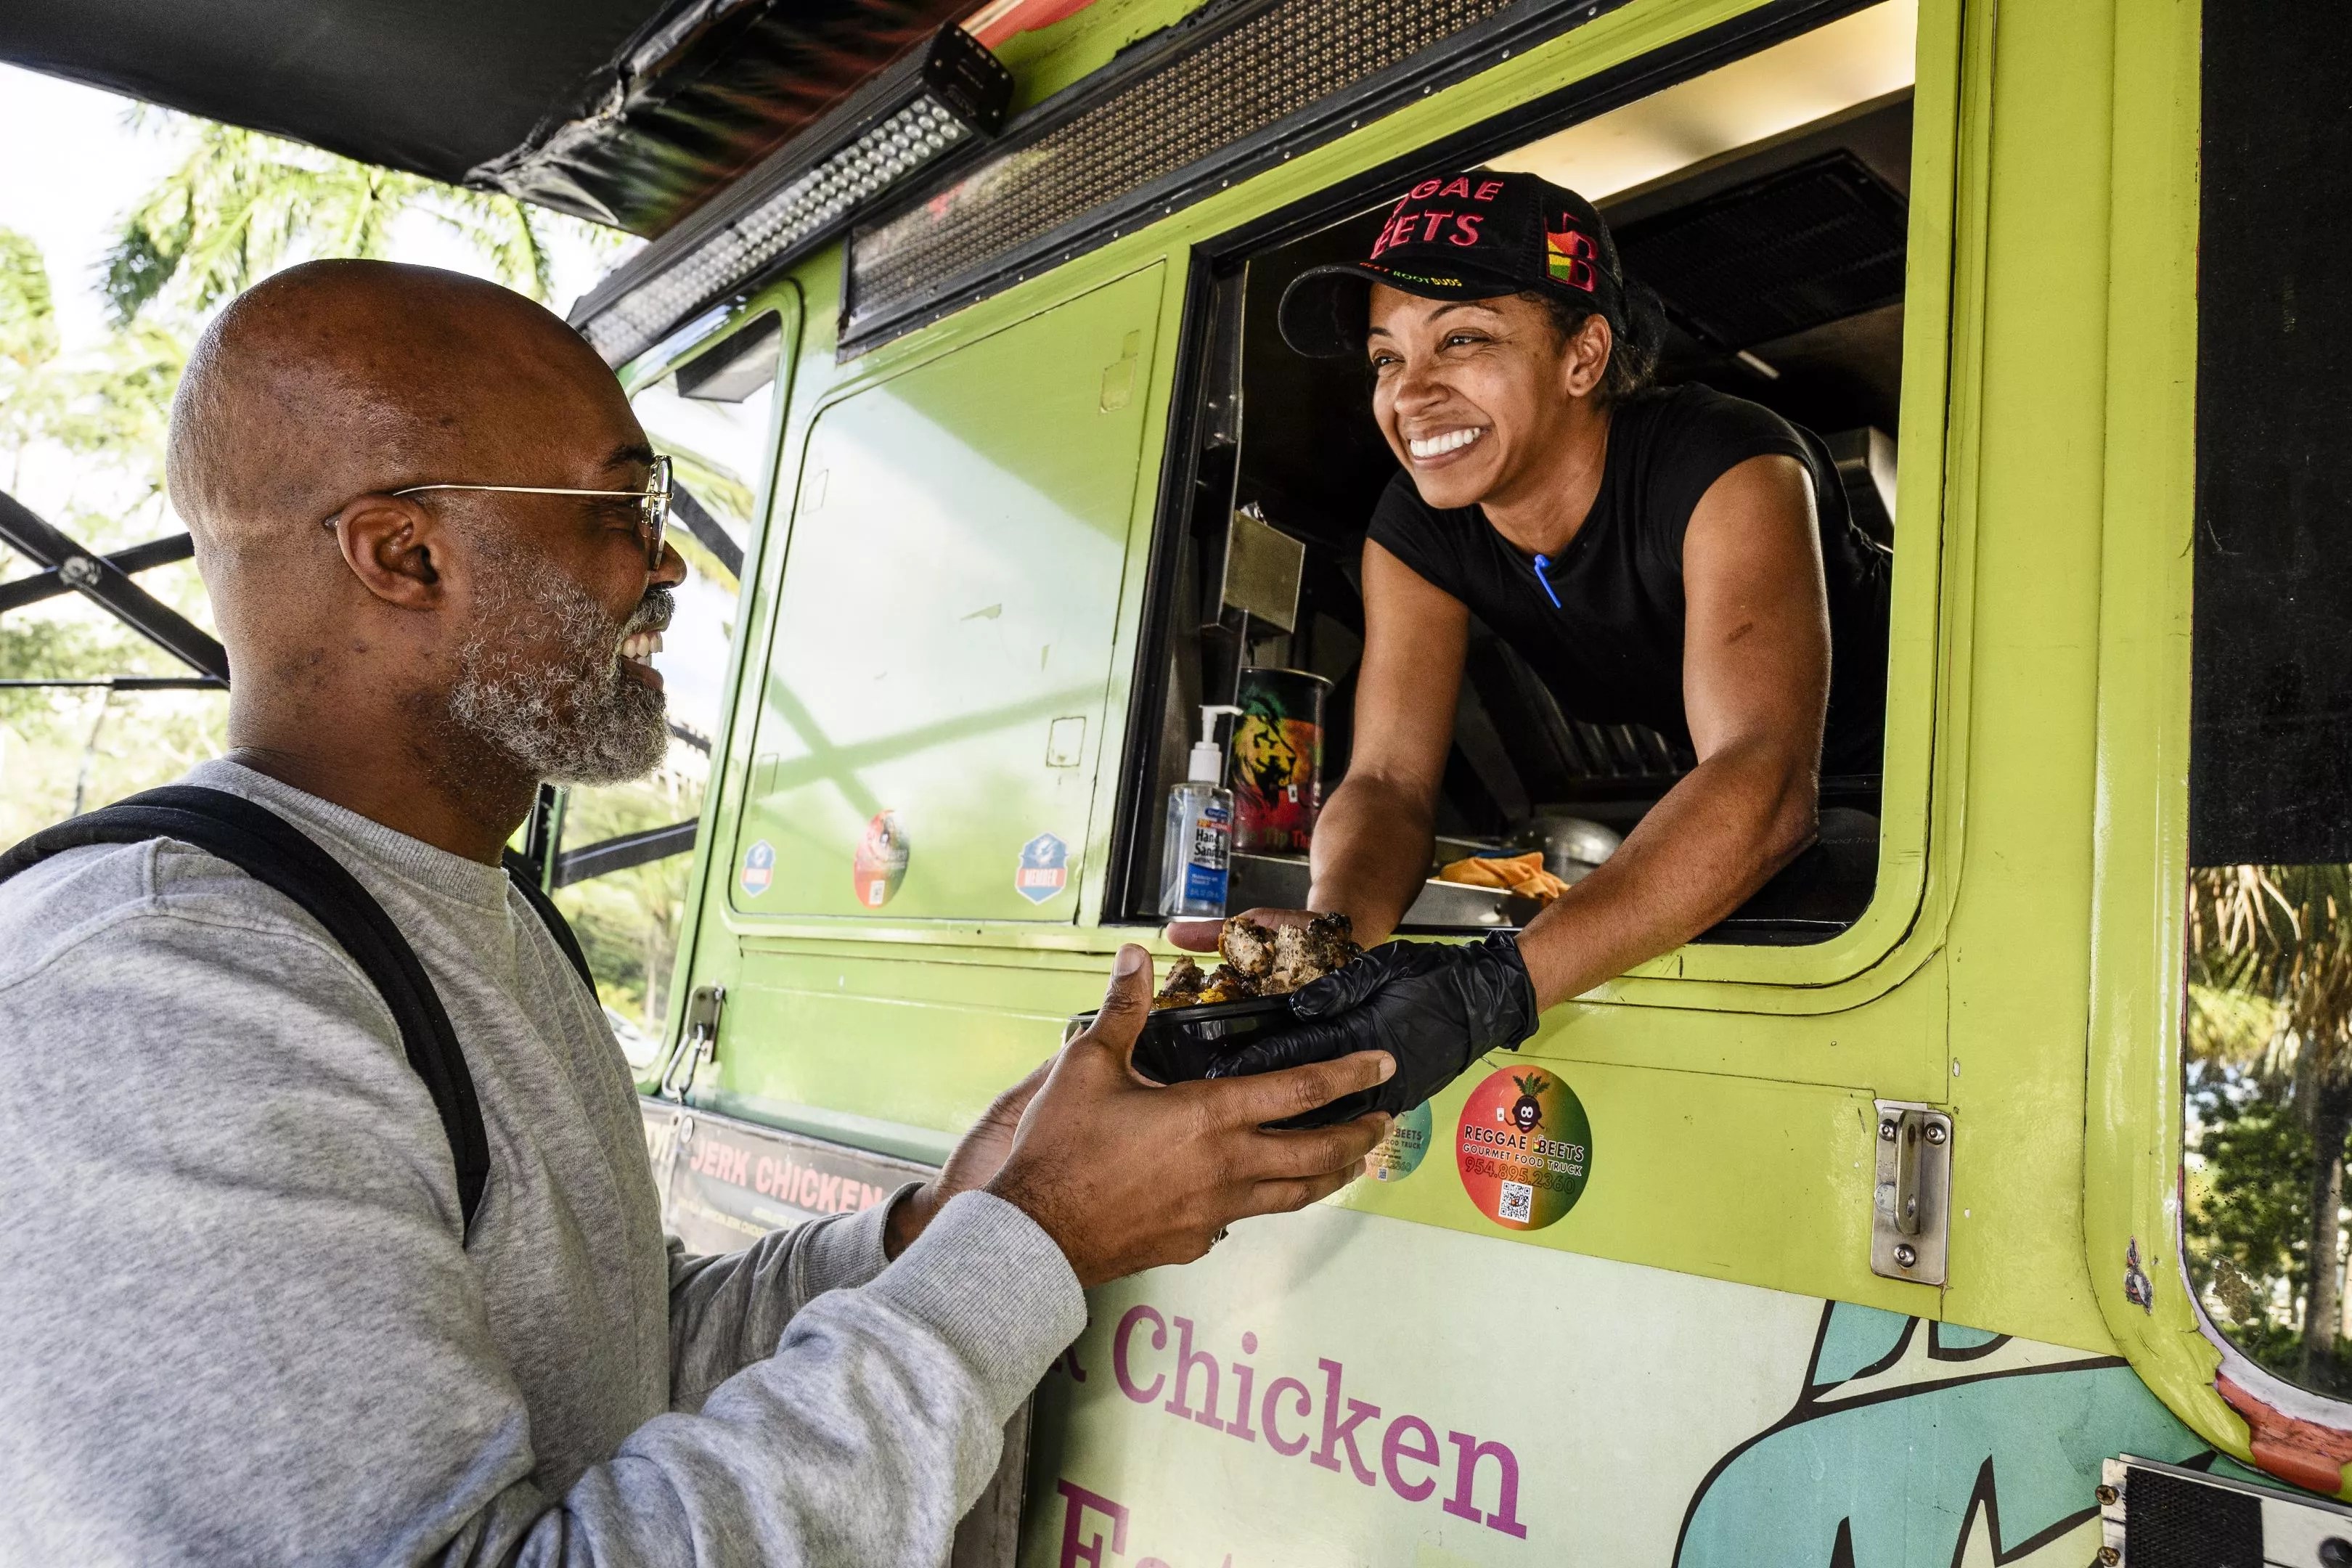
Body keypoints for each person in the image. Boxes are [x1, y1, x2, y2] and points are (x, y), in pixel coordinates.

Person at [0, 261, 1395, 1565]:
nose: (663, 566)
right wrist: (1039, 1241)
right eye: (619, 510)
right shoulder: (169, 988)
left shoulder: (476, 917)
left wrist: (945, 1226)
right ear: (403, 555)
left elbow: (625, 1364)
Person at [1169, 170, 1890, 1116]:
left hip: (1913, 793)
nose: (1410, 396)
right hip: (1736, 803)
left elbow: (1762, 778)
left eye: (1461, 341)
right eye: (1387, 358)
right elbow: (1387, 782)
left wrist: (1493, 989)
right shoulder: (1420, 529)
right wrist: (1330, 942)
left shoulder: (1725, 464)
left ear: (1583, 354)